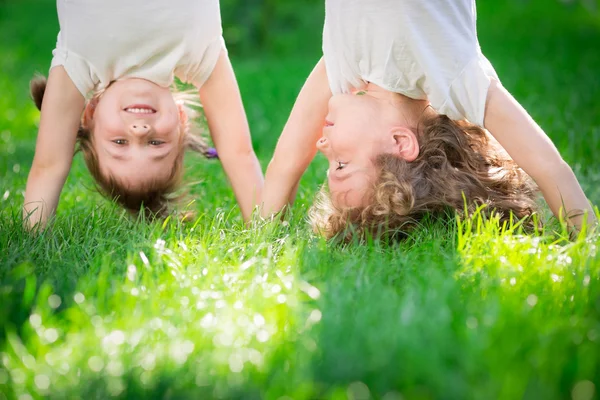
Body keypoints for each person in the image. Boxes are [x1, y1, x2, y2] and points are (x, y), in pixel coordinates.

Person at [261, 0, 595, 239]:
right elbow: (548, 166)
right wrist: (587, 238)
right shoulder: (454, 76)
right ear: (399, 142)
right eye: (341, 163)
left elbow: (285, 163)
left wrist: (262, 242)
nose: (320, 145)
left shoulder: (343, 68)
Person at [24, 0, 263, 229]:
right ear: (181, 119)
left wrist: (33, 240)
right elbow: (239, 153)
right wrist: (266, 232)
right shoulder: (199, 56)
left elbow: (49, 166)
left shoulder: (78, 65)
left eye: (120, 143)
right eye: (156, 143)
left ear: (90, 114)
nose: (140, 131)